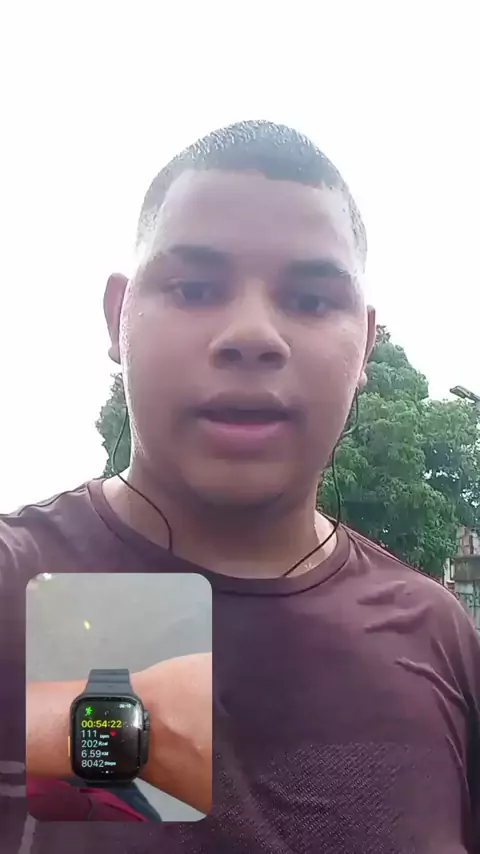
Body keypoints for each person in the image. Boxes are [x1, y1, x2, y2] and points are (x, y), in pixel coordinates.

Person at [1, 119, 479, 853]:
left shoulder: (440, 641)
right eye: (195, 288)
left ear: (365, 345)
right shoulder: (19, 589)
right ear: (117, 316)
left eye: (311, 300)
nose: (253, 335)